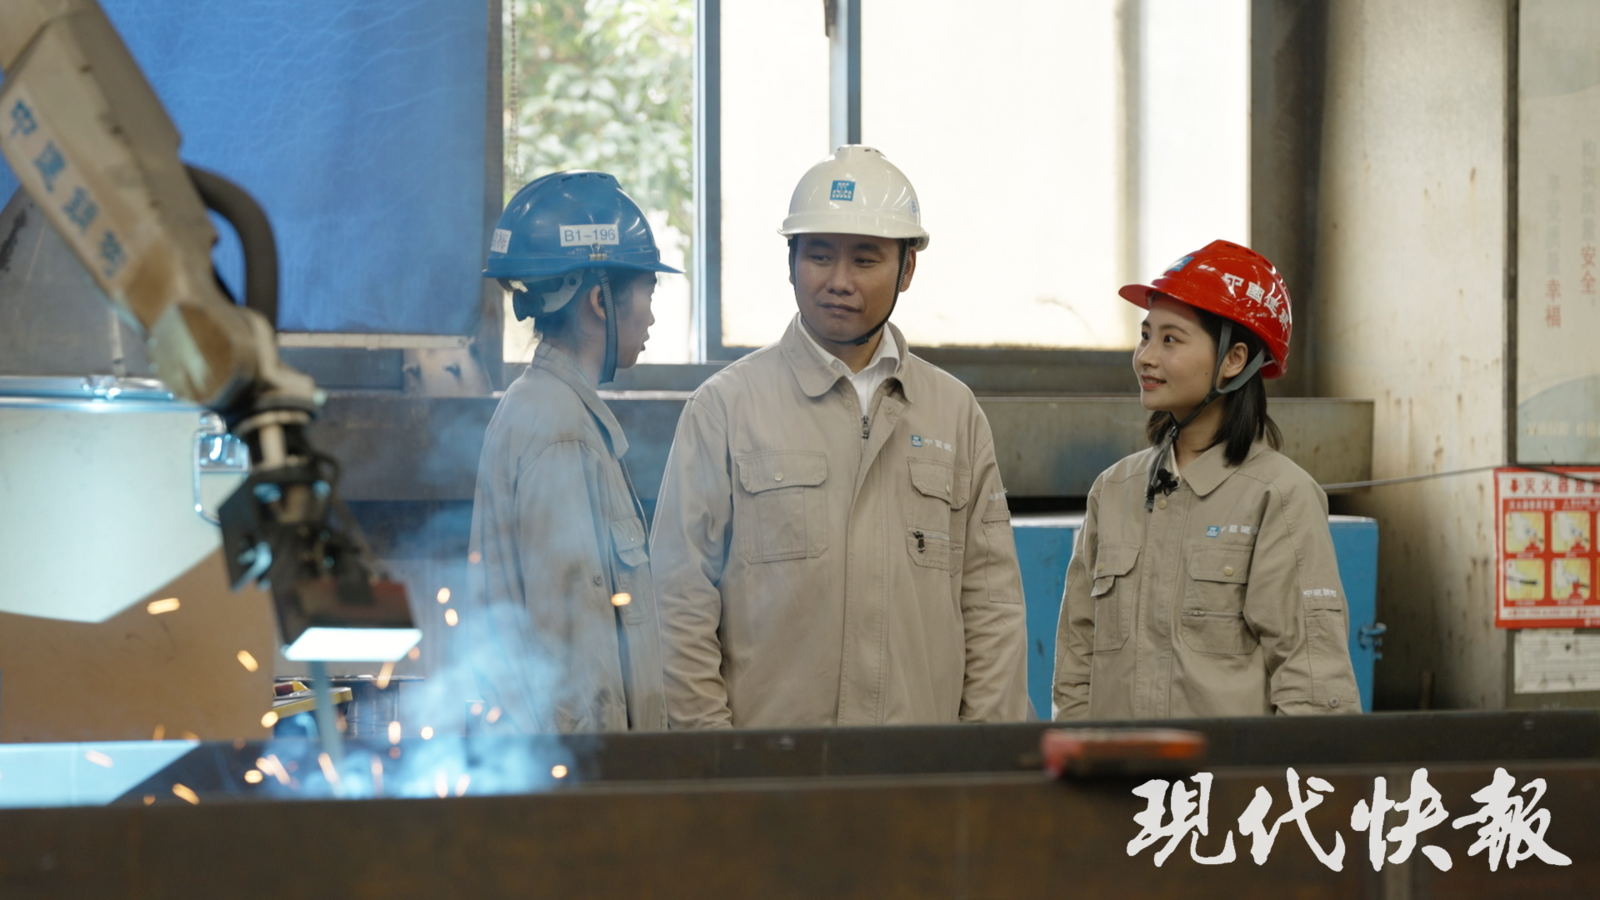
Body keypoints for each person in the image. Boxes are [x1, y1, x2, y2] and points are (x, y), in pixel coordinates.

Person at [650, 145, 1030, 729]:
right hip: (773, 770)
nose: (839, 282)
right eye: (820, 256)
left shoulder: (953, 414)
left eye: (866, 260)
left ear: (907, 269)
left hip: (919, 766)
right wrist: (718, 758)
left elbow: (992, 606)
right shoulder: (726, 408)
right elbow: (678, 600)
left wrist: (973, 759)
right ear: (791, 262)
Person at [1053, 240, 1361, 719]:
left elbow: (1314, 687)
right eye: (1145, 336)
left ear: (1234, 360)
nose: (1145, 357)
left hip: (1227, 772)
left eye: (1170, 340)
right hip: (1117, 768)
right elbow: (1076, 667)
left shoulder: (1279, 497)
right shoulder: (1113, 491)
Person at [462, 170, 678, 732]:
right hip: (586, 770)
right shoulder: (561, 431)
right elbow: (580, 660)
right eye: (648, 293)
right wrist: (605, 776)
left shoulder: (545, 407)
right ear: (601, 301)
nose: (652, 315)